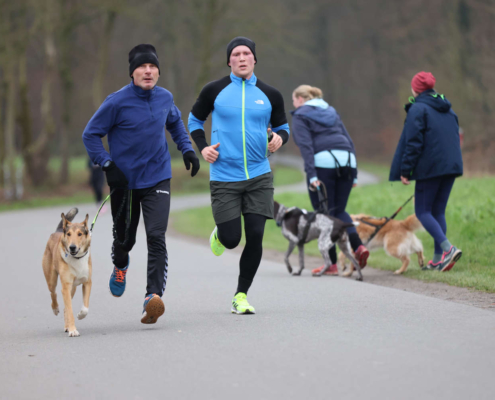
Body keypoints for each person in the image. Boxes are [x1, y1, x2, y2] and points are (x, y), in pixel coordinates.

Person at [82, 44, 200, 324]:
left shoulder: (165, 98)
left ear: (158, 72)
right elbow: (90, 135)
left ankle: (152, 297)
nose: (148, 71)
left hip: (158, 176)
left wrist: (187, 149)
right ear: (132, 73)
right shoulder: (116, 102)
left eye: (152, 67)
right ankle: (120, 265)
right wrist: (107, 164)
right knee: (125, 240)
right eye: (142, 67)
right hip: (124, 183)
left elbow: (175, 123)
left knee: (157, 236)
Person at [188, 36, 289, 314]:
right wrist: (203, 147)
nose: (242, 58)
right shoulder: (214, 90)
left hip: (259, 174)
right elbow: (194, 120)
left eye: (247, 53)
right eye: (236, 54)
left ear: (254, 59)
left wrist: (279, 138)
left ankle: (241, 295)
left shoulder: (270, 94)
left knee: (256, 235)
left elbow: (283, 127)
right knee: (232, 239)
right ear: (229, 60)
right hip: (224, 175)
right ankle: (221, 234)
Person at [291, 85, 369, 275]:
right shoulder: (331, 111)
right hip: (347, 161)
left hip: (324, 163)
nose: (293, 104)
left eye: (293, 100)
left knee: (323, 215)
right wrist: (355, 172)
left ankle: (332, 264)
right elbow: (348, 140)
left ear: (300, 99)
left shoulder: (300, 115)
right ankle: (358, 247)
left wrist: (312, 175)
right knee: (338, 211)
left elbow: (306, 146)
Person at [390, 71, 463, 271]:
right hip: (451, 166)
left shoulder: (418, 109)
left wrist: (406, 170)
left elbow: (413, 143)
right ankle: (438, 260)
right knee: (438, 211)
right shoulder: (447, 108)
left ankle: (448, 250)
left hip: (431, 167)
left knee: (423, 211)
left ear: (415, 89)